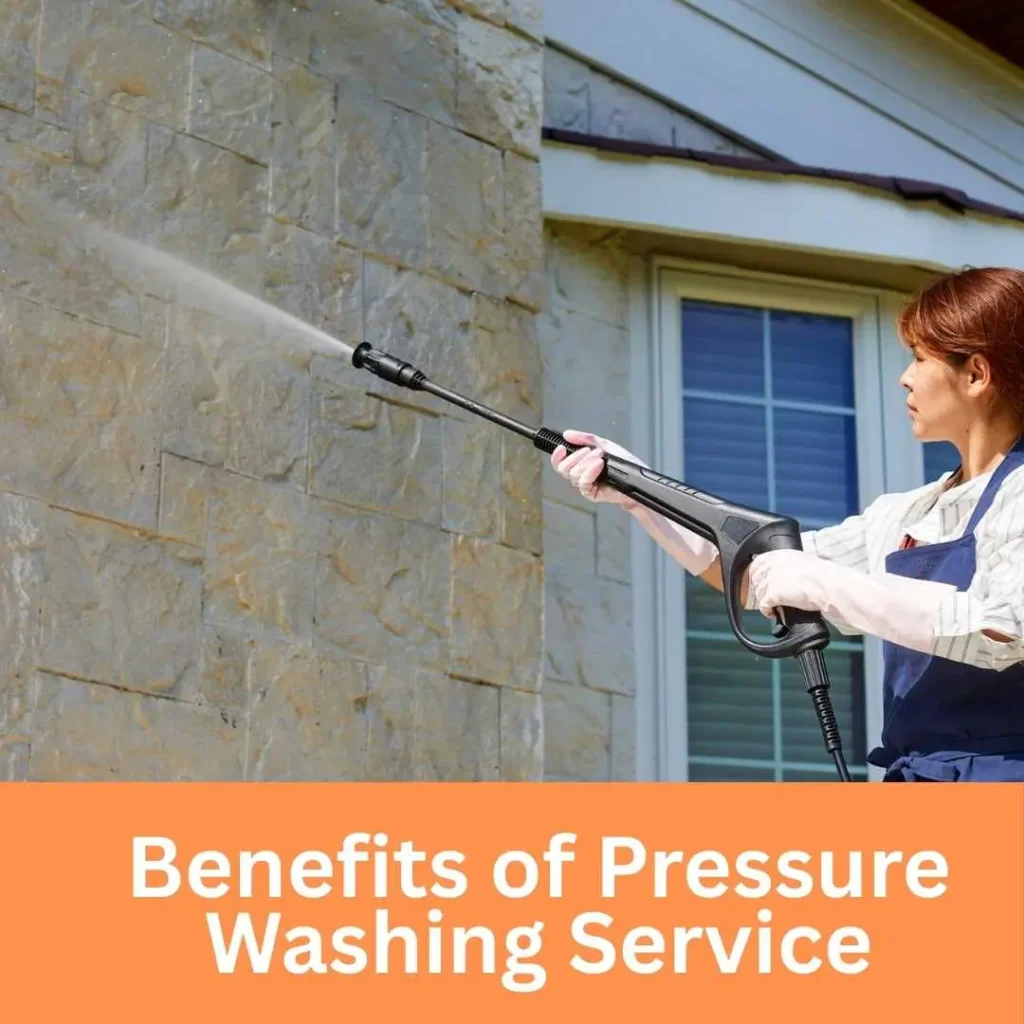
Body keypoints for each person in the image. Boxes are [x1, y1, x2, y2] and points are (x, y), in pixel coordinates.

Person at [550, 266, 1024, 782]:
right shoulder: (908, 513)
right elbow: (753, 574)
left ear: (976, 374)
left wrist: (827, 583)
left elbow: (1000, 629)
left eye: (919, 358)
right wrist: (636, 488)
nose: (904, 377)